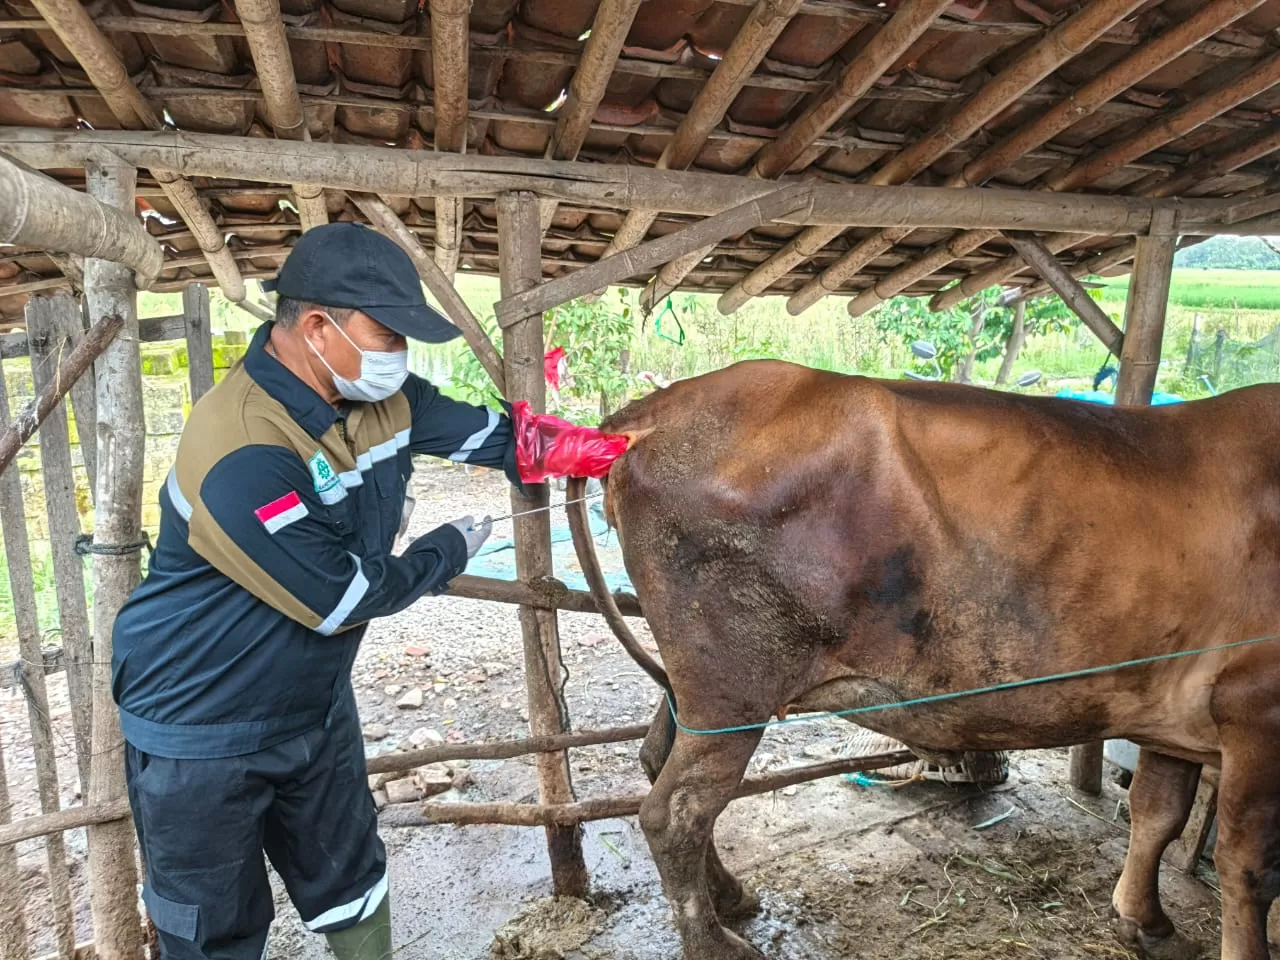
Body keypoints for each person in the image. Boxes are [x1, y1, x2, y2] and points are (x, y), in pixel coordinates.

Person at [111, 222, 522, 960]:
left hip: (312, 705)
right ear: (317, 327)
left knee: (351, 880)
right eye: (387, 333)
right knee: (213, 930)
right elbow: (341, 598)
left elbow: (498, 439)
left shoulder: (384, 401)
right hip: (199, 728)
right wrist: (445, 550)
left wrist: (607, 449)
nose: (399, 354)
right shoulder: (241, 446)